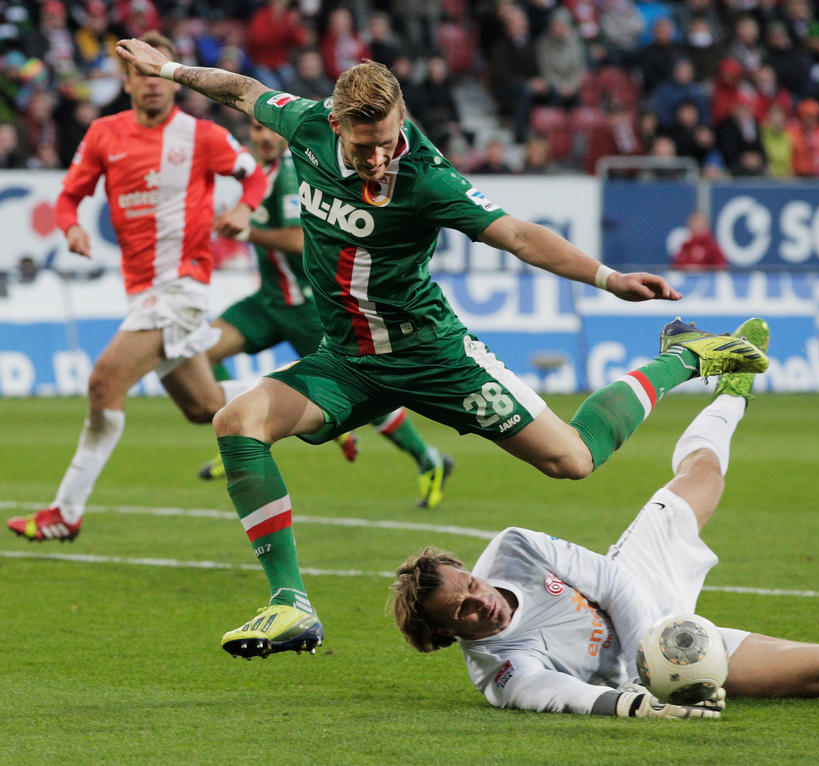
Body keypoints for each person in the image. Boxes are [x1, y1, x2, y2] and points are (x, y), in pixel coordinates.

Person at [113, 38, 769, 660]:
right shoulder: (306, 125)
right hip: (345, 359)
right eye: (365, 145)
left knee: (571, 460)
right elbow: (240, 88)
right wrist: (167, 72)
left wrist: (608, 278)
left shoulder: (426, 177)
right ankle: (290, 603)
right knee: (236, 421)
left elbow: (516, 234)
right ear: (336, 124)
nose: (379, 157)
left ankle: (683, 354)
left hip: (432, 355)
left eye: (388, 139)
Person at [391, 319, 819, 718]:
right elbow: (567, 696)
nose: (481, 604)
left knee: (703, 477)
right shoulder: (500, 673)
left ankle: (730, 389)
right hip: (665, 668)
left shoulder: (514, 548)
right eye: (464, 613)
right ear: (448, 634)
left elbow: (610, 582)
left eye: (470, 586)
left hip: (639, 589)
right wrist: (646, 696)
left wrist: (650, 653)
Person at [6, 31, 267, 543]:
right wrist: (73, 226)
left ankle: (66, 511)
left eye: (159, 73)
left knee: (104, 382)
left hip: (183, 288)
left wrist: (243, 206)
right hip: (142, 291)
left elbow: (253, 174)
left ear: (172, 81)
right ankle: (304, 391)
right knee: (203, 407)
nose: (151, 84)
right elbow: (68, 197)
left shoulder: (203, 135)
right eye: (140, 74)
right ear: (126, 81)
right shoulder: (104, 134)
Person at [199, 117, 455, 510]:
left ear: (284, 133)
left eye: (269, 129)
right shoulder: (258, 174)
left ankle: (428, 459)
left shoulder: (289, 173)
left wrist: (245, 231)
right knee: (202, 349)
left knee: (363, 394)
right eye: (255, 129)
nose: (263, 136)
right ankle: (237, 436)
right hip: (267, 302)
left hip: (308, 306)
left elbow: (298, 239)